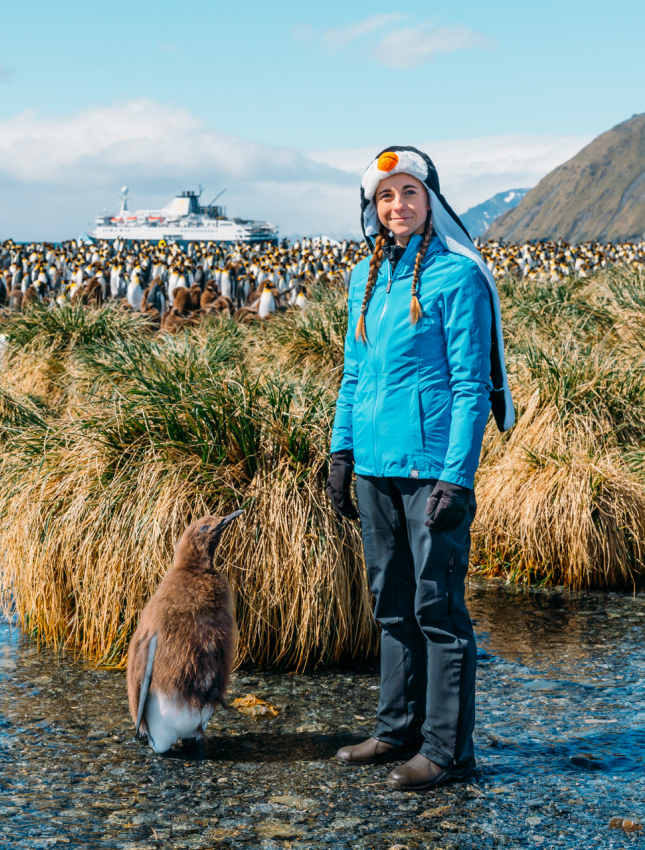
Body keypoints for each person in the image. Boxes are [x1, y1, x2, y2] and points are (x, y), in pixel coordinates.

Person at [327, 146, 514, 791]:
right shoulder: (364, 279)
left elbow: (470, 387)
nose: (397, 205)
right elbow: (354, 374)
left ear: (431, 199)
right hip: (377, 466)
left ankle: (445, 752)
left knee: (437, 607)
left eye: (409, 192)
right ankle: (395, 730)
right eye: (385, 196)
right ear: (371, 209)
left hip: (432, 466)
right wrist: (341, 449)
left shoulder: (457, 277)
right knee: (390, 605)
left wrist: (458, 477)